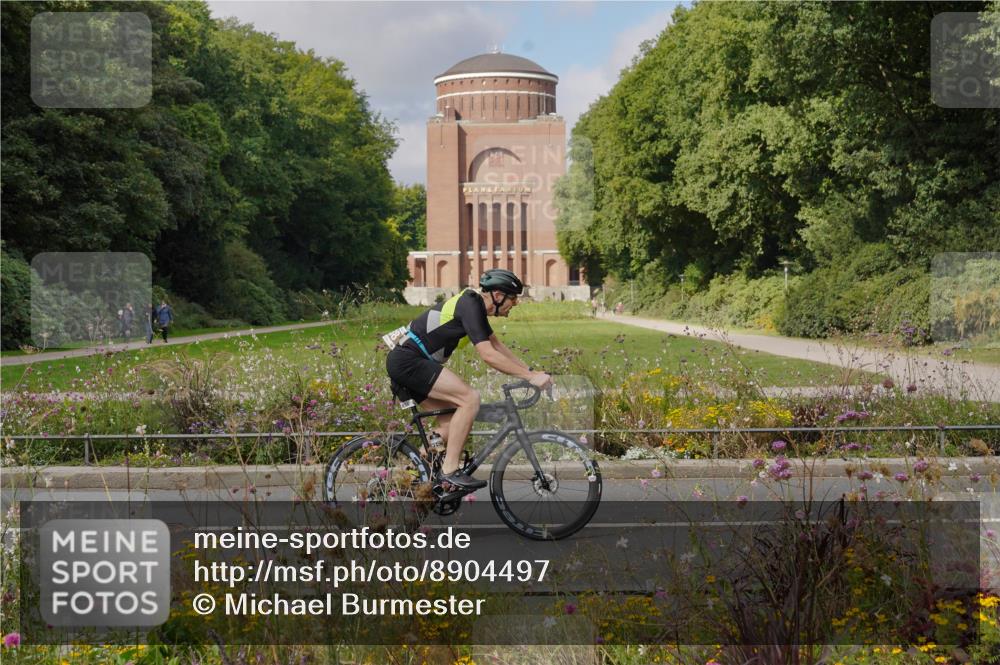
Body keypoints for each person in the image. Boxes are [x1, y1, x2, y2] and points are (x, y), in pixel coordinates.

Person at [385, 269, 551, 490]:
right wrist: (530, 378)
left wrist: (531, 371)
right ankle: (450, 471)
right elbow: (488, 355)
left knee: (450, 423)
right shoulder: (470, 304)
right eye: (513, 298)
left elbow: (496, 346)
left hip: (409, 361)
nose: (516, 304)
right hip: (409, 361)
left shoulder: (474, 308)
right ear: (498, 296)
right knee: (470, 399)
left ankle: (411, 479)